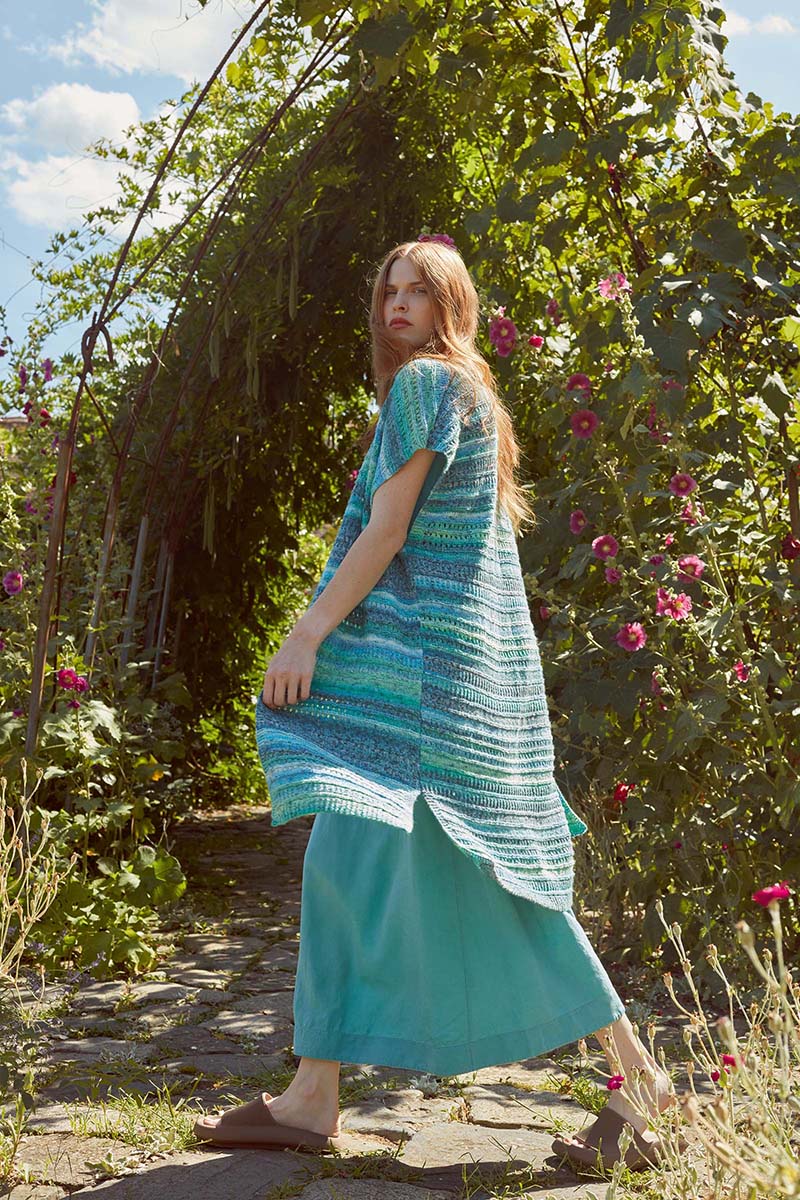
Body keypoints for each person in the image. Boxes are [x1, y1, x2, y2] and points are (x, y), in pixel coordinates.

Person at [193, 237, 683, 1171]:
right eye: (390, 289)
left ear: (451, 304)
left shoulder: (426, 384)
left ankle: (636, 1086)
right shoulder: (474, 396)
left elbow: (386, 531)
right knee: (395, 867)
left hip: (416, 692)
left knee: (449, 877)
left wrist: (308, 634)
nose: (399, 304)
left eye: (420, 290)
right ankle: (317, 1091)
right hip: (452, 684)